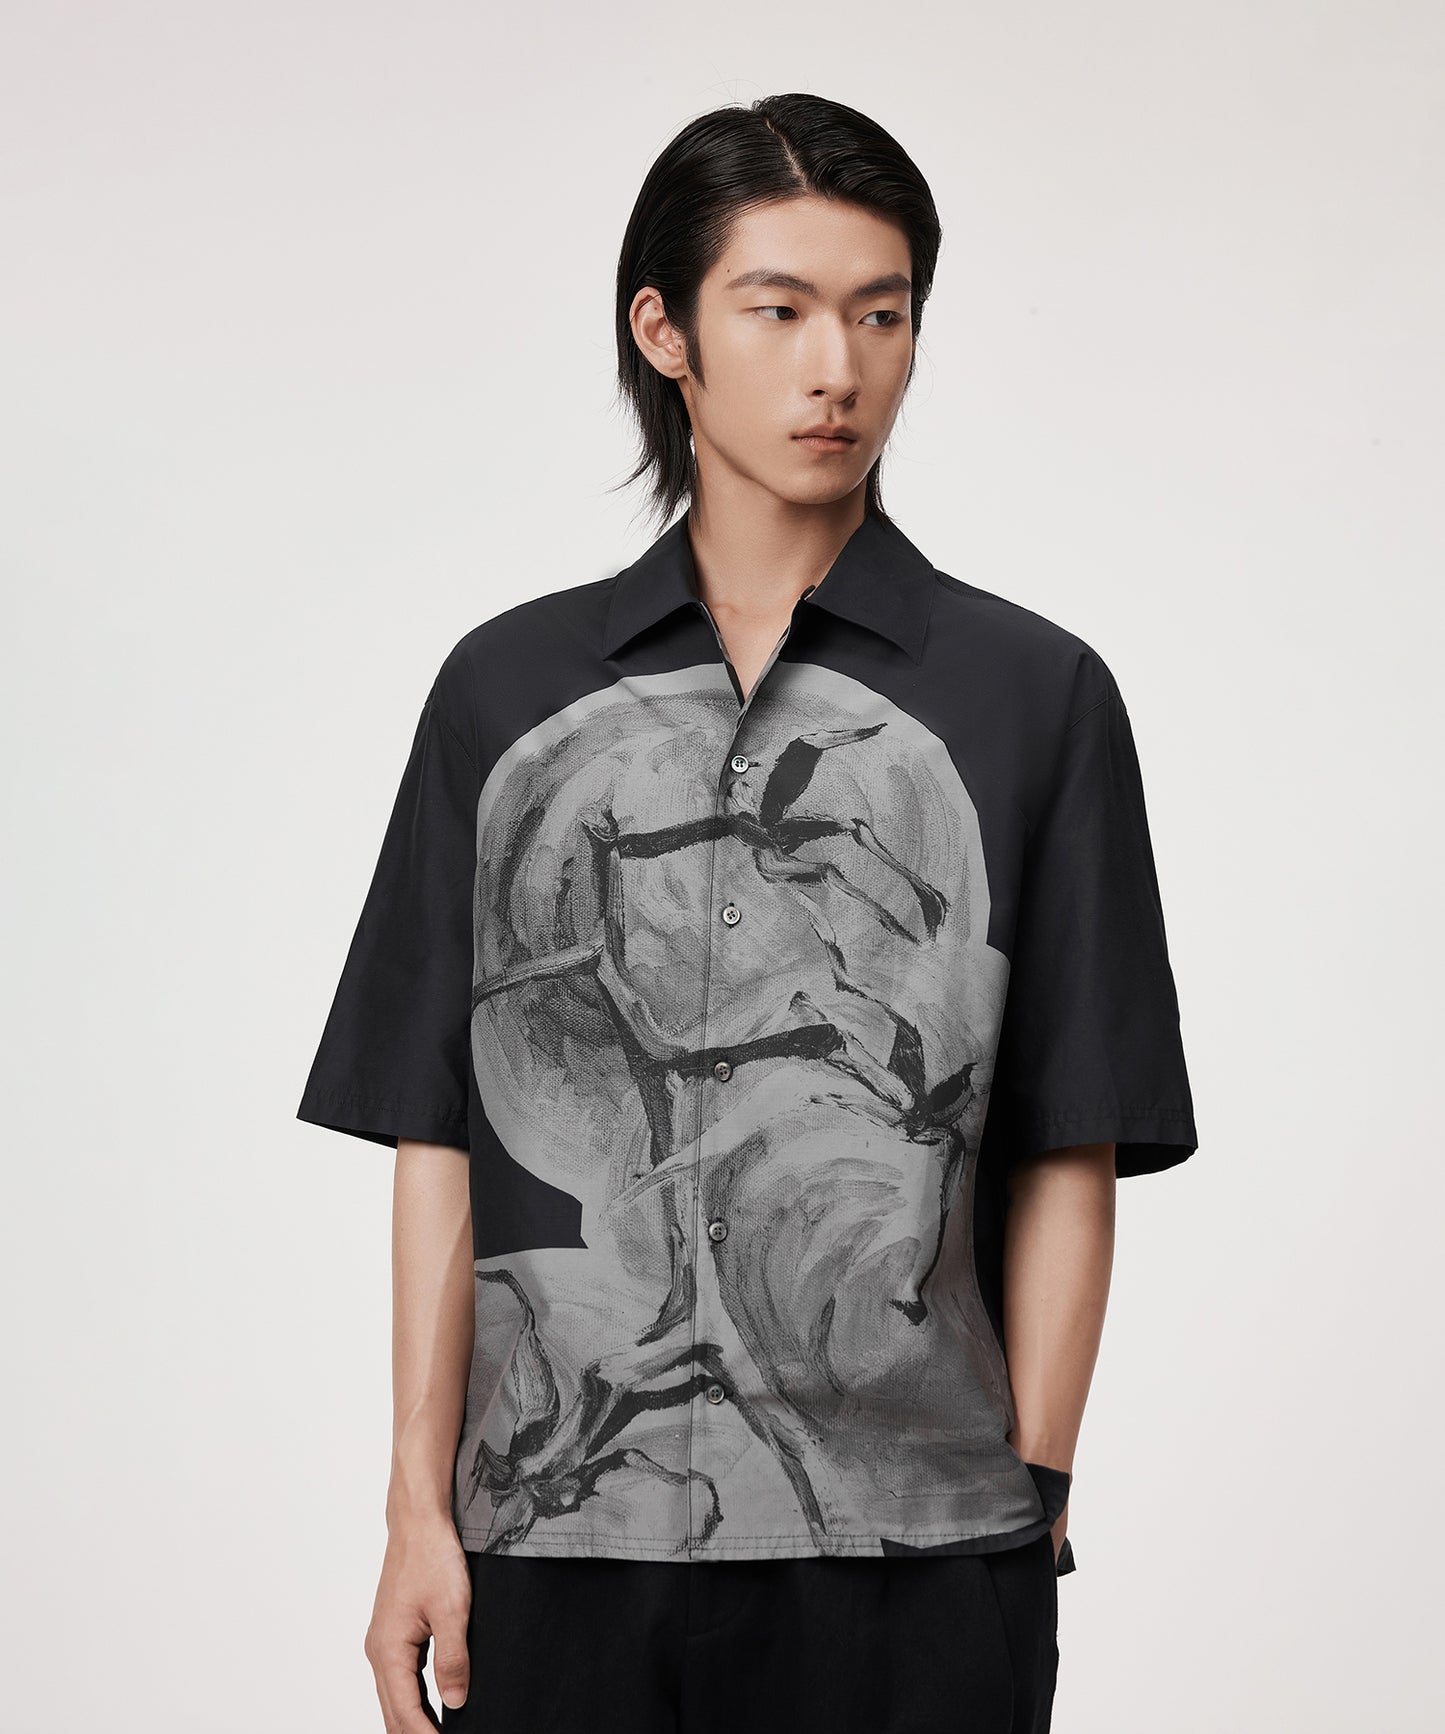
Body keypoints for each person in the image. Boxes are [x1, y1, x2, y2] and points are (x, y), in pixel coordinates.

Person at [297, 91, 1198, 1734]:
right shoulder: (505, 689)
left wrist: (1033, 1494)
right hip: (558, 1531)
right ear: (666, 332)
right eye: (777, 311)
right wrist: (417, 1510)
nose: (834, 367)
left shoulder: (1034, 695)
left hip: (918, 1552)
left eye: (879, 314)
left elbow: (1070, 1132)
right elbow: (438, 1129)